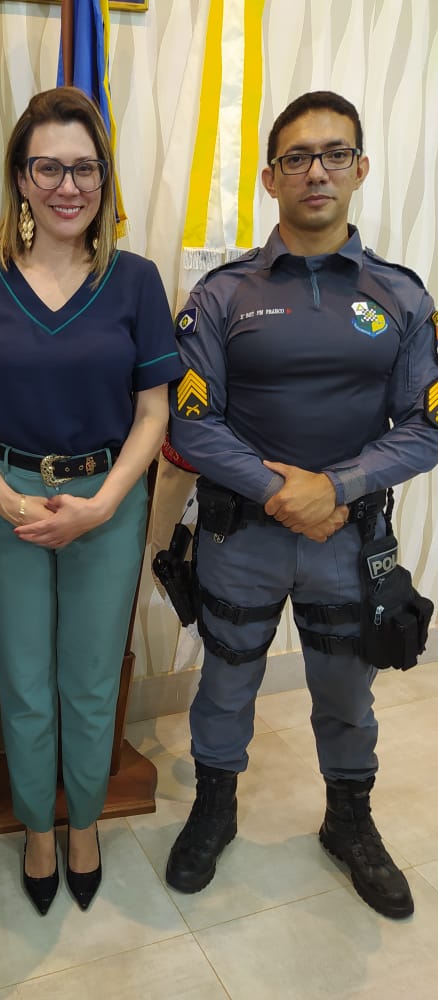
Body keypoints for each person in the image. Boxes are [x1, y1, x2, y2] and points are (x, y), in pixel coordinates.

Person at [165, 91, 438, 919]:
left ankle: (349, 821)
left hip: (349, 540)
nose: (316, 171)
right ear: (270, 177)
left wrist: (337, 488)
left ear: (361, 168)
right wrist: (285, 491)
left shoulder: (403, 296)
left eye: (334, 154)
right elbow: (191, 422)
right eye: (297, 157)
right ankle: (215, 808)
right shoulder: (222, 294)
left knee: (347, 691)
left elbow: (427, 425)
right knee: (225, 682)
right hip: (241, 534)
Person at [0, 86, 183, 915]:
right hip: (3, 499)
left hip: (106, 504)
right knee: (25, 682)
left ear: (104, 179)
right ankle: (37, 830)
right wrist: (4, 498)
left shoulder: (135, 281)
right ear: (20, 176)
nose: (67, 186)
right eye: (48, 167)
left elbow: (153, 413)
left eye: (84, 168)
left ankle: (83, 824)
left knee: (88, 682)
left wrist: (105, 503)